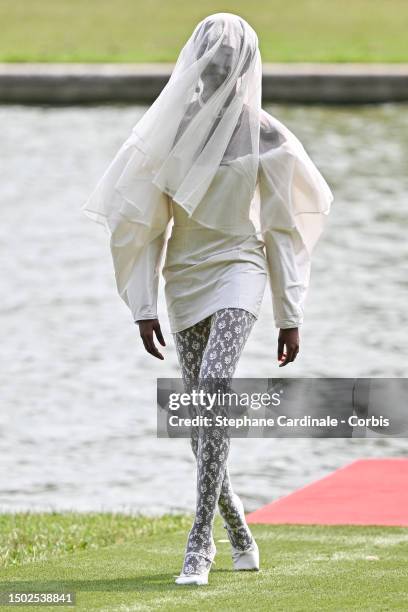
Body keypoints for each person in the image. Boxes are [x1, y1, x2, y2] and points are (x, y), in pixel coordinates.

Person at [82, 12, 333, 585]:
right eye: (210, 64)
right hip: (186, 273)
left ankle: (200, 541)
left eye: (229, 65)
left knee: (215, 388)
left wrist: (289, 314)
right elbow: (138, 223)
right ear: (197, 67)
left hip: (240, 267)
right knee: (200, 417)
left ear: (244, 69)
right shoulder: (168, 131)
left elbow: (283, 230)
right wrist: (142, 303)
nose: (218, 73)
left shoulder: (267, 136)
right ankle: (237, 521)